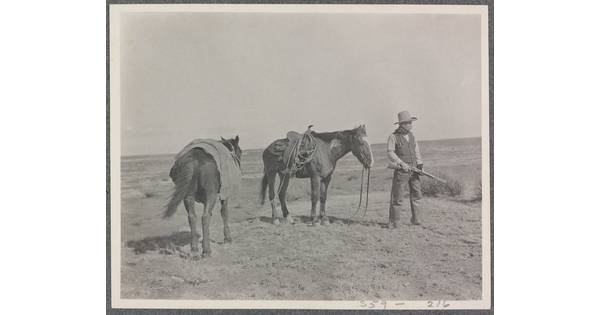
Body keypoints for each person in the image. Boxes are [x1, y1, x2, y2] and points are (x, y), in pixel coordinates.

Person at [387, 110, 424, 228]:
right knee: (398, 196)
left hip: (414, 170)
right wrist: (401, 163)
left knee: (417, 194)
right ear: (402, 124)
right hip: (401, 171)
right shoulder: (393, 137)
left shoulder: (412, 136)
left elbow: (416, 150)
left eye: (411, 123)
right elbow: (390, 152)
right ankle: (394, 222)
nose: (411, 125)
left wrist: (419, 163)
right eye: (409, 123)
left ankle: (416, 220)